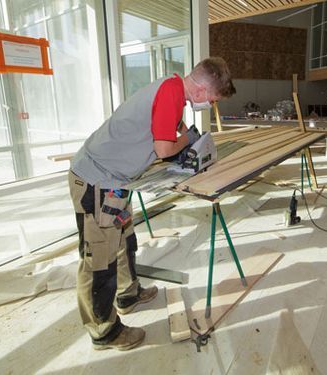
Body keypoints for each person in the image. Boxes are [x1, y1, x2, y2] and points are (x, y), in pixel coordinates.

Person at [68, 57, 236, 351]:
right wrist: (188, 140)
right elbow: (164, 148)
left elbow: (172, 130)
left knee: (123, 239)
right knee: (99, 260)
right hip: (96, 180)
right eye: (211, 100)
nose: (209, 105)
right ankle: (103, 332)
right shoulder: (172, 92)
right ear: (200, 91)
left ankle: (128, 294)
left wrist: (185, 138)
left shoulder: (173, 91)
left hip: (116, 181)